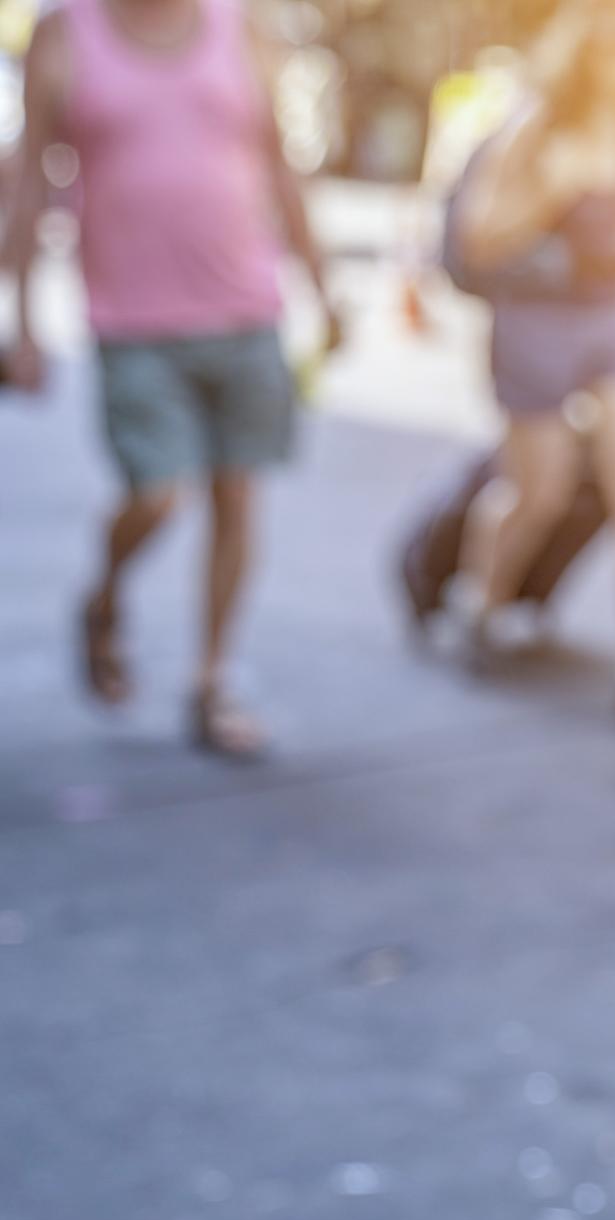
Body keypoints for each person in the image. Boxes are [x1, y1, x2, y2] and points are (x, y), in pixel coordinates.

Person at [2, 0, 337, 759]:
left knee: (237, 496)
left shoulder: (241, 26)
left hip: (246, 309)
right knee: (158, 491)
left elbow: (280, 162)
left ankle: (213, 680)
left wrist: (323, 284)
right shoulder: (65, 33)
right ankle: (105, 593)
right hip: (132, 322)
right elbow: (28, 185)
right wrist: (22, 319)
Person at [452, 1, 615, 734]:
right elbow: (477, 240)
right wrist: (551, 191)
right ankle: (481, 605)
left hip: (610, 315)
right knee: (540, 490)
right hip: (535, 322)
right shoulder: (536, 125)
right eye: (609, 54)